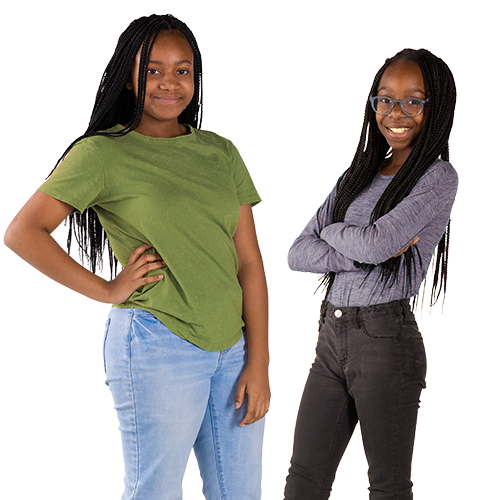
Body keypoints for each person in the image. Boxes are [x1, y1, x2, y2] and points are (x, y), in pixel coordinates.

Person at [4, 14, 270, 500]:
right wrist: (108, 288)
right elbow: (23, 231)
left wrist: (260, 362)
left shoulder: (221, 153)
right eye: (153, 70)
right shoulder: (102, 154)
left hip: (233, 349)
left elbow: (249, 262)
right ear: (129, 76)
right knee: (155, 492)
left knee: (241, 493)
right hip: (157, 345)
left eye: (182, 70)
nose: (170, 82)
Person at [283, 48, 458, 500]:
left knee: (387, 486)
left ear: (435, 107)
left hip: (386, 340)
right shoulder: (358, 173)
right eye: (384, 99)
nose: (394, 113)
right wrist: (358, 244)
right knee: (304, 481)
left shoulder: (437, 178)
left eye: (412, 100)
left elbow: (379, 245)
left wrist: (340, 234)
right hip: (331, 336)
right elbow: (299, 252)